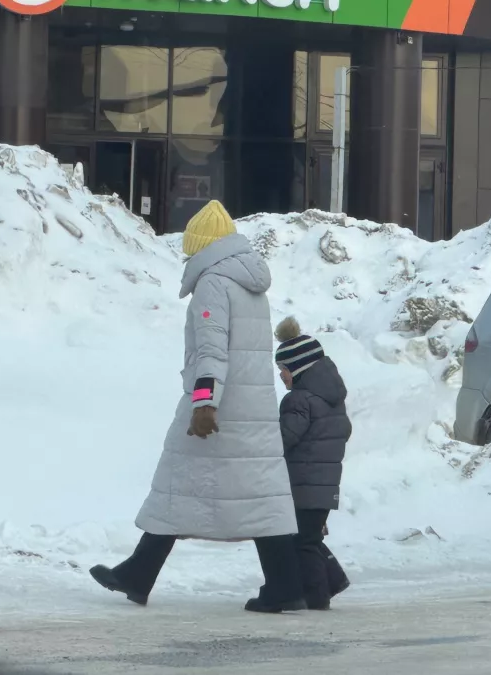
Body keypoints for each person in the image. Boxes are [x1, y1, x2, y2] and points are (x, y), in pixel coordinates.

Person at [89, 200, 305, 614]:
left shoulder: (213, 284)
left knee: (178, 481)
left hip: (219, 409)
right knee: (258, 495)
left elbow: (211, 349)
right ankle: (285, 584)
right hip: (251, 409)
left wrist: (204, 402)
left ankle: (138, 573)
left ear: (201, 245)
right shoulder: (250, 283)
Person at [275, 317, 352, 610]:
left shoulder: (299, 400)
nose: (281, 376)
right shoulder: (333, 398)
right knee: (308, 537)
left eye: (283, 369)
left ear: (298, 367)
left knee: (302, 542)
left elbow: (284, 439)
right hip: (324, 485)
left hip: (304, 485)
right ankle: (332, 580)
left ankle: (317, 597)